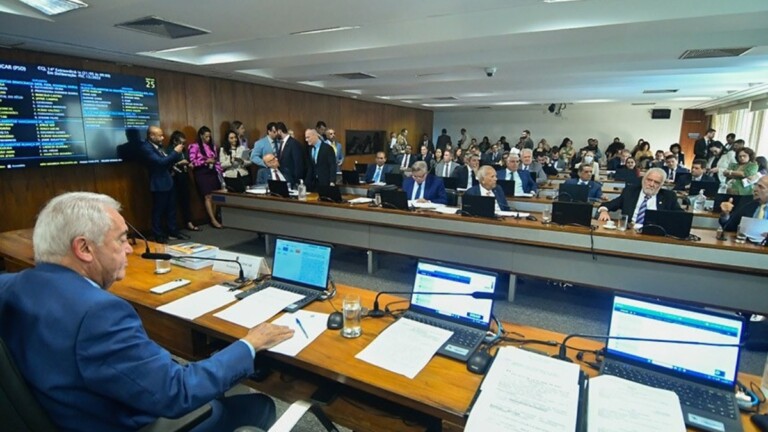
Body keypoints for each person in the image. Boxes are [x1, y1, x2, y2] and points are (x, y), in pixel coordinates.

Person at [0, 192, 294, 432]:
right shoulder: (99, 314)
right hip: (123, 421)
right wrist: (249, 344)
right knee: (259, 407)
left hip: (67, 407)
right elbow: (178, 392)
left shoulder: (11, 286)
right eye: (121, 239)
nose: (129, 249)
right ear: (84, 249)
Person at [139, 125, 187, 243]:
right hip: (158, 183)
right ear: (151, 136)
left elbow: (166, 162)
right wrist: (175, 152)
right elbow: (160, 163)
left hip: (168, 181)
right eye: (159, 135)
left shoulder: (159, 147)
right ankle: (158, 234)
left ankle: (173, 231)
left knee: (171, 208)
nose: (162, 137)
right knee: (158, 210)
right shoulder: (146, 148)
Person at [597, 168, 683, 229]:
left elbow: (680, 216)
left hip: (654, 235)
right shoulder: (630, 192)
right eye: (649, 180)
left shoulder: (668, 196)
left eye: (656, 182)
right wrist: (604, 211)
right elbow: (609, 204)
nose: (651, 184)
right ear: (643, 180)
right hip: (629, 231)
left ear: (661, 185)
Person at [189, 126, 223, 229]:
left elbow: (216, 160)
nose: (208, 138)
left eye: (209, 136)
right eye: (206, 136)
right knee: (207, 196)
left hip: (212, 171)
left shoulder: (212, 146)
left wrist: (220, 171)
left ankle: (214, 217)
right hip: (201, 172)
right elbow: (192, 161)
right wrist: (204, 161)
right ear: (201, 136)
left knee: (215, 195)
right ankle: (212, 220)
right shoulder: (194, 146)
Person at [168, 130, 200, 232]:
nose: (182, 145)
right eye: (180, 143)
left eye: (184, 143)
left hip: (185, 177)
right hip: (174, 178)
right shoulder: (169, 150)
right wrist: (179, 163)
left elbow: (188, 160)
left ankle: (189, 222)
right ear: (174, 141)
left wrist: (189, 164)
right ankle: (173, 227)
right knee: (172, 203)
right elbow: (167, 164)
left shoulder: (184, 150)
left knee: (186, 201)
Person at [275, 121, 305, 186]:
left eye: (275, 132)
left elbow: (298, 163)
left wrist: (297, 180)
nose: (275, 134)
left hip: (292, 179)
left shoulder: (293, 143)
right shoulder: (282, 143)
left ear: (280, 131)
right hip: (284, 178)